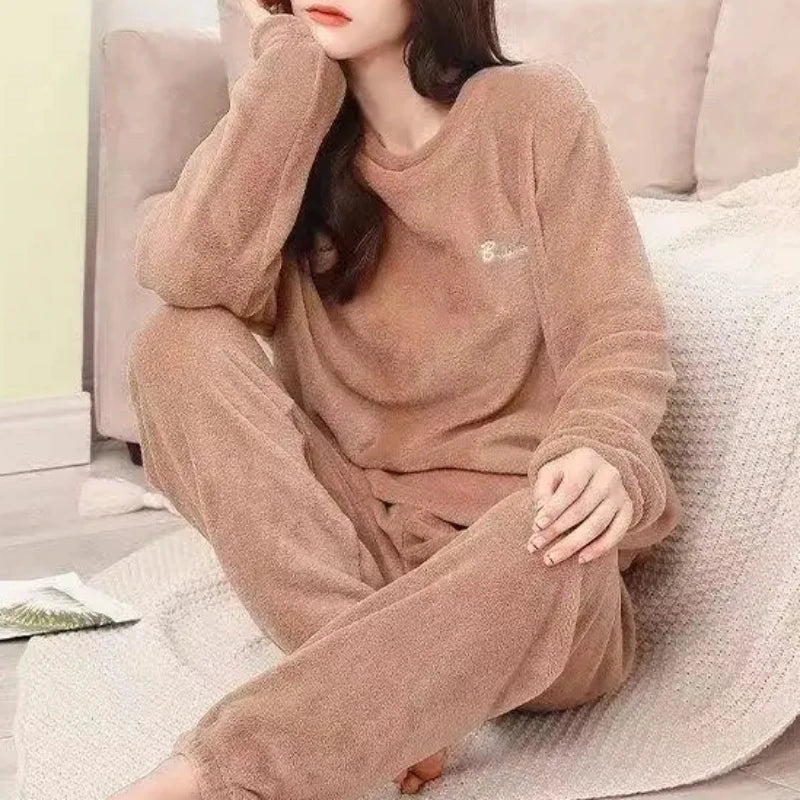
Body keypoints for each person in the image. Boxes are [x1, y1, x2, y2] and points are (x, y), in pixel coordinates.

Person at [112, 0, 682, 797]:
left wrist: (601, 446)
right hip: (360, 555)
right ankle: (386, 702)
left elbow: (617, 326)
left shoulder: (532, 113)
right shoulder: (291, 139)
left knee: (553, 531)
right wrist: (288, 61)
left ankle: (223, 775)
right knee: (174, 347)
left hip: (519, 565)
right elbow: (187, 274)